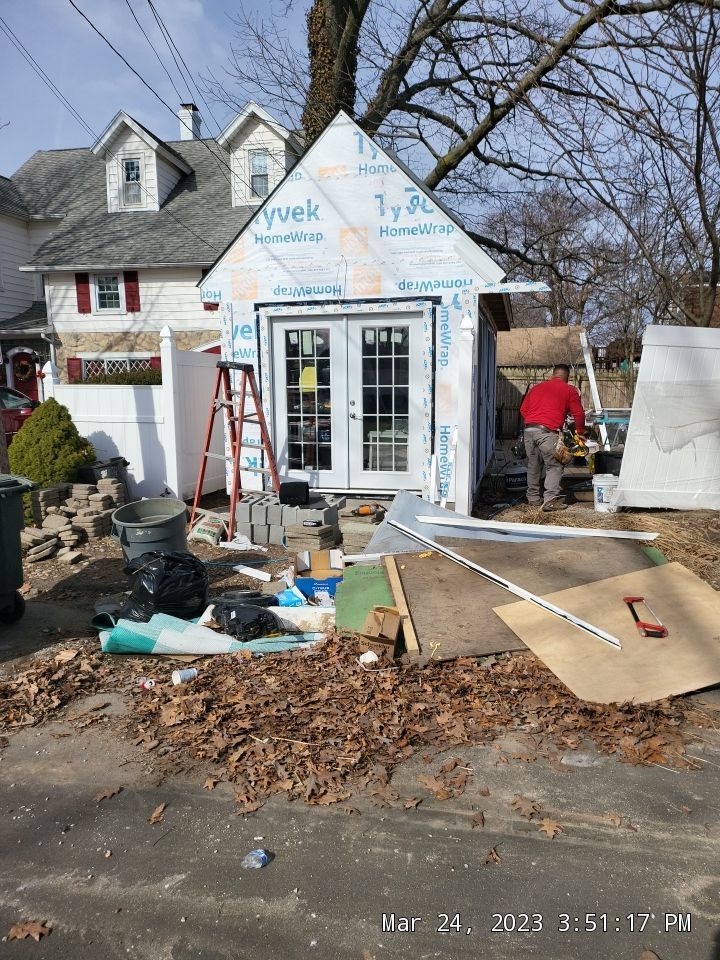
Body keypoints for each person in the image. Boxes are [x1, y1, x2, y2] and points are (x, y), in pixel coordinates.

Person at [519, 363, 586, 512]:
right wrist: (580, 432)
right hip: (547, 432)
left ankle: (533, 499)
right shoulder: (569, 390)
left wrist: (535, 421)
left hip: (529, 429)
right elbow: (579, 414)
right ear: (567, 378)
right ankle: (550, 501)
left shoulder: (536, 388)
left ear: (552, 375)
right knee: (555, 465)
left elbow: (523, 410)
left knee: (533, 465)